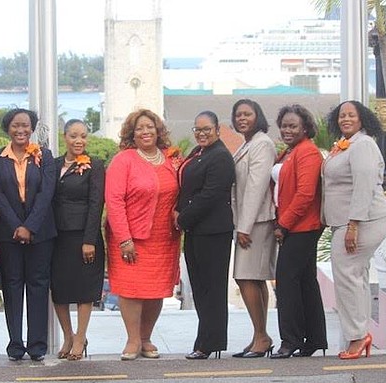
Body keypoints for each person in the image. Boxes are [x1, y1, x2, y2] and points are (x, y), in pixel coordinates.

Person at [105, 108, 181, 361]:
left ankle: (146, 337)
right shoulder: (123, 160)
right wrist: (124, 238)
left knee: (156, 290)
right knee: (131, 290)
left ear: (158, 131)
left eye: (150, 127)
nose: (145, 132)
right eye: (140, 128)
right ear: (132, 134)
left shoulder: (170, 159)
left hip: (164, 237)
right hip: (130, 237)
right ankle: (133, 339)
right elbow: (114, 201)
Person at [322, 100, 386, 360]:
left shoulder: (363, 145)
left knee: (347, 276)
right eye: (342, 115)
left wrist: (353, 224)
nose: (346, 119)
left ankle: (358, 336)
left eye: (351, 114)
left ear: (362, 119)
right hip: (348, 221)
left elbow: (364, 185)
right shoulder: (344, 145)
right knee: (356, 275)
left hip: (365, 219)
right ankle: (360, 334)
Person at [0, 108, 56, 361]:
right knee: (13, 286)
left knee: (38, 286)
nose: (21, 130)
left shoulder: (44, 156)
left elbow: (47, 193)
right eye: (16, 125)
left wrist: (30, 226)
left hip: (41, 232)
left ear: (32, 128)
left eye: (26, 125)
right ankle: (15, 344)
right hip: (9, 233)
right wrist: (17, 225)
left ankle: (37, 345)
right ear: (8, 128)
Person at [175, 111, 235, 360]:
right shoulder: (199, 153)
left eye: (206, 129)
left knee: (212, 289)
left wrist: (181, 217)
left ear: (217, 130)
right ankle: (204, 339)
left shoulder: (221, 157)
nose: (201, 134)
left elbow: (210, 196)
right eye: (197, 130)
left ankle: (210, 343)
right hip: (196, 231)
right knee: (199, 288)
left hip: (213, 232)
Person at [269, 105, 327, 359]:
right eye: (284, 125)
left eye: (293, 126)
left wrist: (284, 224)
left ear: (305, 127)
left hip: (302, 227)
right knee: (305, 283)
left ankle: (290, 340)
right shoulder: (290, 153)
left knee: (287, 283)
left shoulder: (308, 153)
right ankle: (314, 339)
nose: (287, 130)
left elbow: (305, 195)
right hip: (294, 226)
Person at [51, 119, 105, 361]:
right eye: (74, 135)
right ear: (65, 137)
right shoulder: (52, 165)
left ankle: (81, 337)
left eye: (83, 136)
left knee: (85, 289)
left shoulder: (95, 165)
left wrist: (89, 239)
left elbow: (96, 203)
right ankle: (68, 335)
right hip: (57, 235)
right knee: (60, 289)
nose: (79, 140)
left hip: (84, 235)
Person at [230, 98, 277, 358]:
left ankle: (262, 336)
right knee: (253, 278)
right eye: (238, 115)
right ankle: (259, 334)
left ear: (257, 116)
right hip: (248, 222)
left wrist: (244, 227)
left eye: (247, 114)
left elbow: (257, 188)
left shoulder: (262, 144)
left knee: (246, 276)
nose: (242, 119)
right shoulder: (246, 145)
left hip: (256, 222)